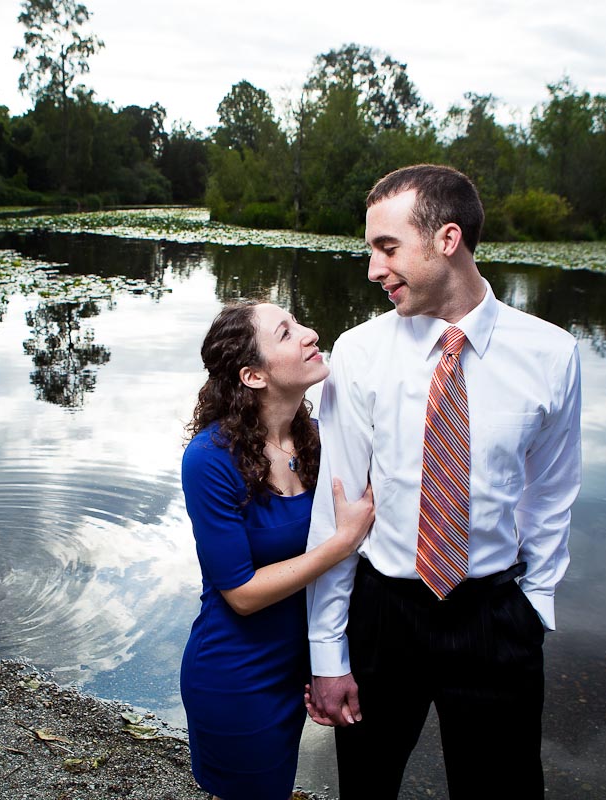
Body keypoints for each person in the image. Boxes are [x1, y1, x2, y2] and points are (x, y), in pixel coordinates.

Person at [305, 165, 582, 799]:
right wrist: (327, 652)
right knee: (366, 788)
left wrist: (535, 602)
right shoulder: (359, 351)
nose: (374, 269)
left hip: (493, 616)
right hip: (383, 616)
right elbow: (336, 507)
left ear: (448, 239)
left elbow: (553, 492)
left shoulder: (551, 354)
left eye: (387, 247)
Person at [181, 301, 375, 800]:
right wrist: (341, 543)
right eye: (287, 333)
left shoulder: (317, 439)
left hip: (299, 666)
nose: (311, 333)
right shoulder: (209, 459)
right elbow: (241, 594)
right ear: (253, 375)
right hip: (237, 675)